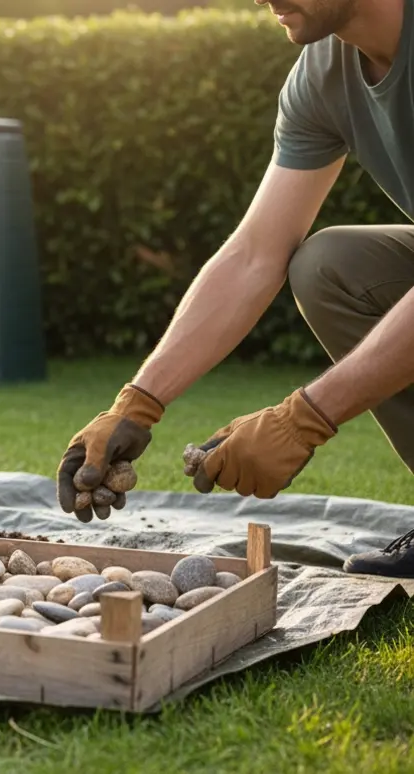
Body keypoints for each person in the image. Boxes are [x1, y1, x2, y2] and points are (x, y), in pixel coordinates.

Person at [56, 0, 414, 579]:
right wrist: (138, 403)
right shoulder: (325, 73)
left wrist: (305, 418)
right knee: (330, 265)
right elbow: (254, 254)